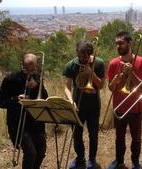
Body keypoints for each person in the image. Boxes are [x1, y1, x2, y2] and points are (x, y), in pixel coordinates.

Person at [0, 52, 48, 169]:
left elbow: (45, 98)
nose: (29, 74)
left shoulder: (37, 78)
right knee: (31, 153)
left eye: (32, 70)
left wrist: (35, 87)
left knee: (41, 152)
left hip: (36, 123)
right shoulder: (10, 79)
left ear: (36, 67)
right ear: (22, 66)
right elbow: (1, 102)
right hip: (18, 124)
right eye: (26, 71)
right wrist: (15, 99)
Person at [107, 31, 142, 169]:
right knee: (119, 138)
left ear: (129, 43)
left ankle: (135, 162)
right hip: (119, 107)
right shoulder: (113, 63)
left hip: (136, 108)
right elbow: (111, 88)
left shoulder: (141, 62)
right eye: (117, 43)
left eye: (121, 43)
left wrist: (132, 74)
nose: (118, 46)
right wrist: (114, 81)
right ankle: (119, 161)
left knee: (136, 138)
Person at [63, 40, 105, 169]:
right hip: (77, 105)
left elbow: (102, 85)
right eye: (80, 56)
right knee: (77, 134)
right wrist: (70, 101)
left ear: (90, 54)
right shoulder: (71, 65)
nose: (82, 59)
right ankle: (80, 158)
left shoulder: (98, 63)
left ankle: (92, 159)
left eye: (85, 57)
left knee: (93, 134)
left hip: (93, 106)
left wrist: (90, 73)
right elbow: (66, 87)